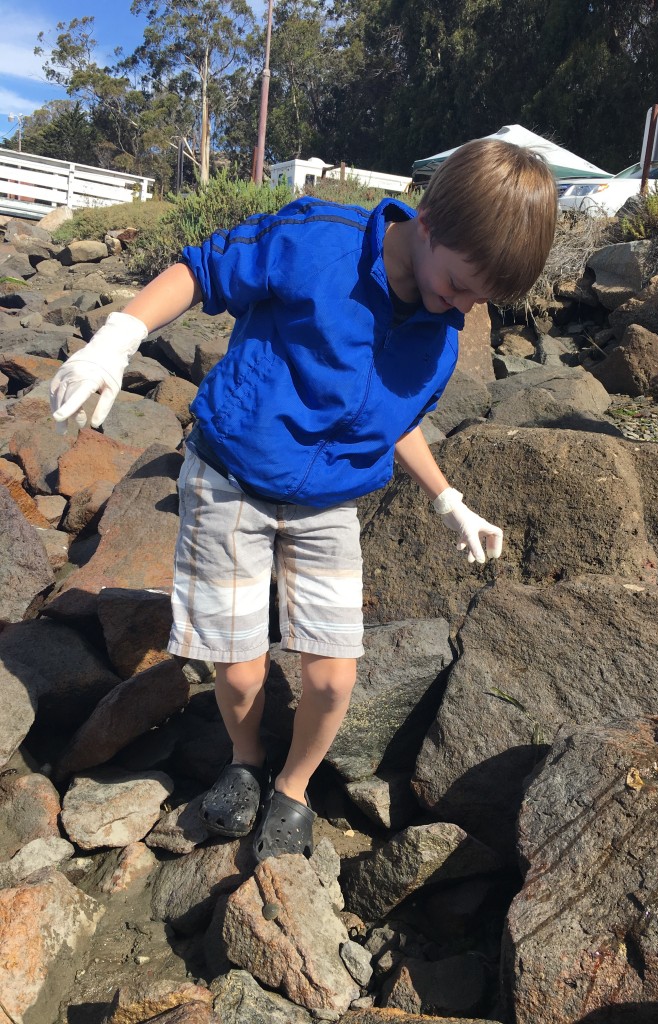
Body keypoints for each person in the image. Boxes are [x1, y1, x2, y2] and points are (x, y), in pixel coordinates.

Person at [49, 138, 557, 864]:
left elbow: (396, 418)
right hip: (229, 474)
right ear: (431, 224)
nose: (466, 307)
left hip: (329, 504)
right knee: (241, 663)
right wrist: (119, 336)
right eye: (460, 285)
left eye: (482, 299)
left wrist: (450, 499)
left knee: (332, 675)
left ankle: (292, 786)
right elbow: (201, 270)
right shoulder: (316, 240)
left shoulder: (442, 336)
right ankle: (245, 761)